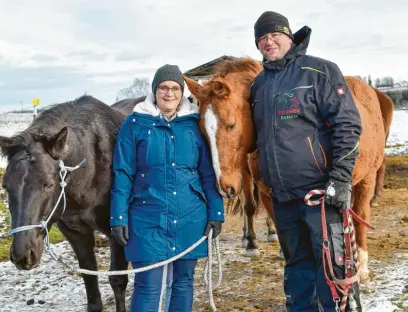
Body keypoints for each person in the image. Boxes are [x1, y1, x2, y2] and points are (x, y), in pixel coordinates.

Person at [249, 11, 363, 312]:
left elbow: (348, 125)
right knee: (297, 268)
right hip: (283, 197)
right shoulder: (258, 86)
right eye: (261, 37)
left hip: (319, 193)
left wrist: (340, 178)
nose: (267, 41)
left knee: (332, 266)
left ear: (289, 36)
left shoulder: (320, 72)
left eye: (274, 34)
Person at [110, 64, 225, 312]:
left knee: (183, 283)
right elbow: (122, 172)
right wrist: (118, 216)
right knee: (147, 285)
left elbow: (208, 172)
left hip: (189, 216)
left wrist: (216, 212)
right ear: (154, 91)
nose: (169, 93)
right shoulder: (134, 124)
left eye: (175, 88)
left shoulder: (195, 124)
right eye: (163, 87)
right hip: (146, 216)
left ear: (182, 93)